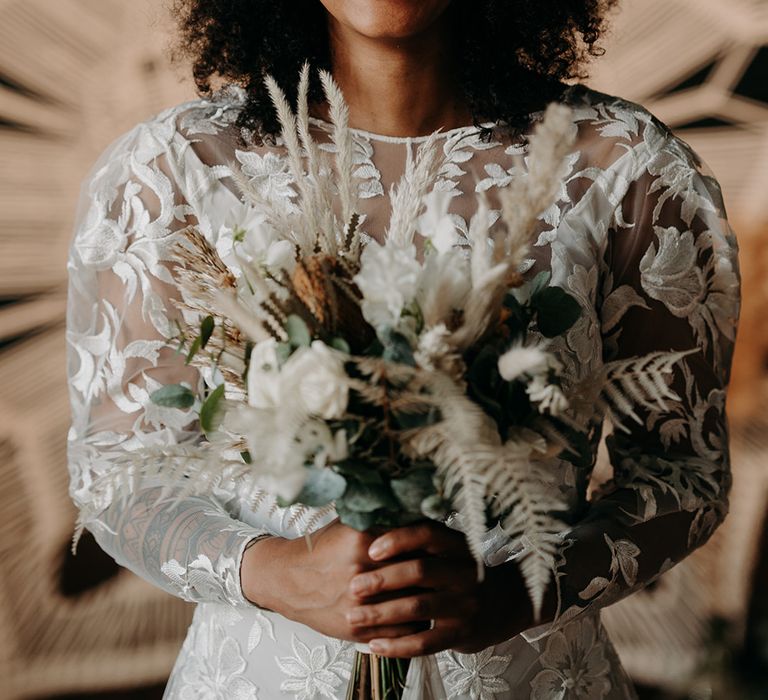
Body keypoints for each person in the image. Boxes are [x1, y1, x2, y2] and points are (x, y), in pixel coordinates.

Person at [65, 1, 741, 697]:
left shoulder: (626, 167)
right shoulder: (173, 169)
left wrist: (516, 595)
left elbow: (683, 471)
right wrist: (277, 572)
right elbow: (120, 472)